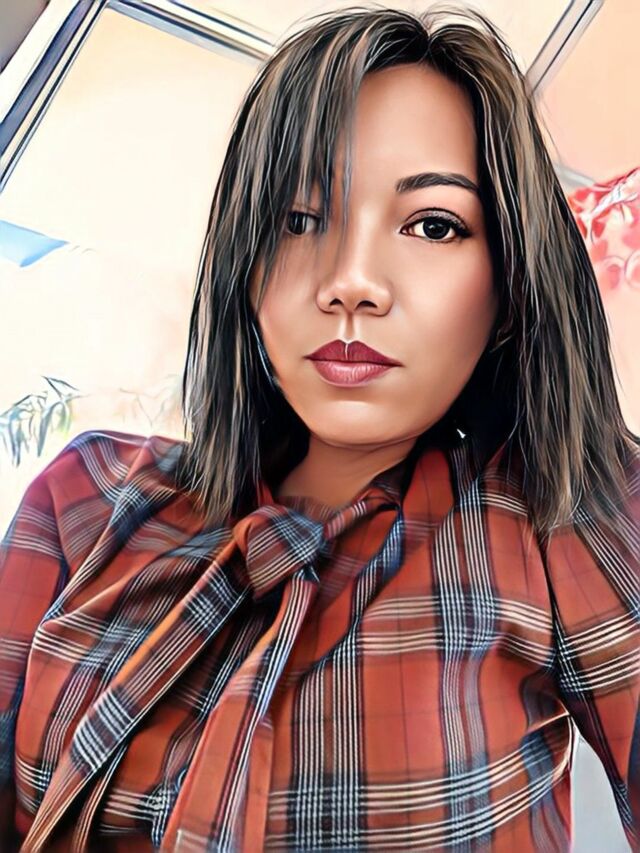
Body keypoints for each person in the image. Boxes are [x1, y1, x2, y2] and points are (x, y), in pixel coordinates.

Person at [1, 5, 638, 851]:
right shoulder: (86, 497)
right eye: (298, 219)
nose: (350, 281)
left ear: (509, 278)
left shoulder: (563, 511)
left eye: (433, 225)